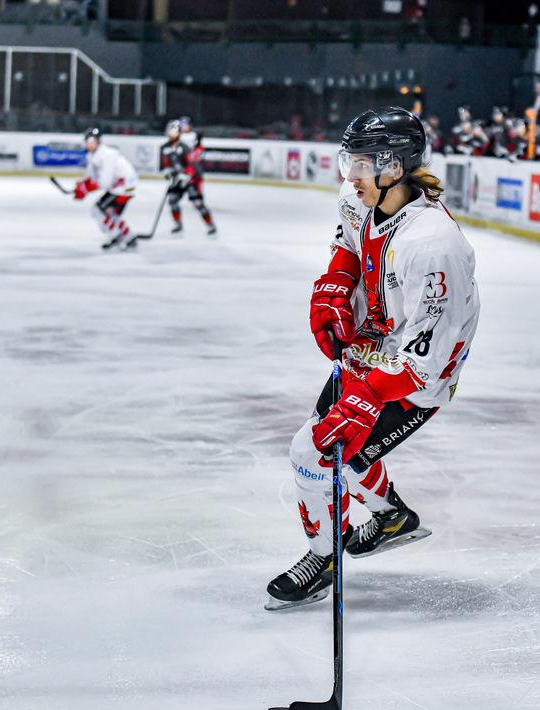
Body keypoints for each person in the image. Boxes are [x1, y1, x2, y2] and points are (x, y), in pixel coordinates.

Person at [266, 107, 480, 611]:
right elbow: (349, 245)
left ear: (393, 167)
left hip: (416, 374)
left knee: (311, 451)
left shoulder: (433, 247)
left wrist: (367, 396)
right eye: (349, 162)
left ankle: (325, 557)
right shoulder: (360, 198)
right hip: (374, 345)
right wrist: (336, 286)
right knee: (351, 451)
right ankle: (391, 517)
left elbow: (428, 360)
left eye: (360, 165)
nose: (349, 176)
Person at [74, 128, 139, 250]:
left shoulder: (107, 155)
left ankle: (116, 236)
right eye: (87, 141)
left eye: (92, 141)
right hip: (120, 187)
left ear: (98, 141)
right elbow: (92, 176)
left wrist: (86, 189)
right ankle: (129, 237)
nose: (89, 144)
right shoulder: (93, 155)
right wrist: (83, 185)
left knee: (98, 210)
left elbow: (104, 182)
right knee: (110, 213)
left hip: (124, 187)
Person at [159, 120, 216, 235]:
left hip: (190, 181)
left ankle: (210, 225)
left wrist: (187, 175)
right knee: (172, 201)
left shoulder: (184, 147)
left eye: (175, 132)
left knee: (197, 203)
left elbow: (191, 164)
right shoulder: (164, 148)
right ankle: (178, 225)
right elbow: (164, 165)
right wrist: (168, 174)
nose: (172, 134)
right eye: (171, 132)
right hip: (176, 181)